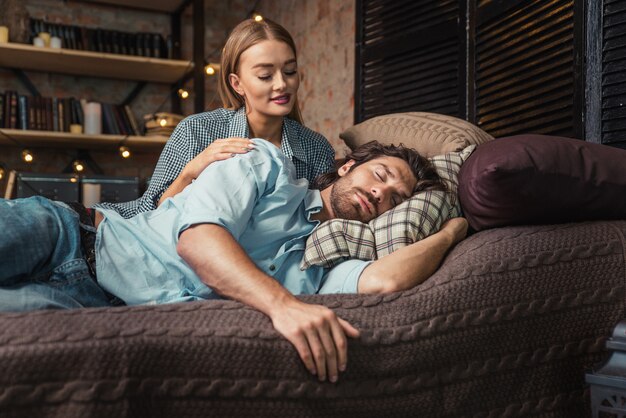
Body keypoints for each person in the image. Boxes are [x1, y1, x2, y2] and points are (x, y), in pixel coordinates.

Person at [0, 140, 468, 384]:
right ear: (348, 166)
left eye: (395, 200)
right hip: (70, 236)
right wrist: (282, 305)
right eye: (380, 175)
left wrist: (455, 229)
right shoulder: (265, 166)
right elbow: (199, 240)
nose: (379, 193)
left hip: (94, 307)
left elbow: (386, 280)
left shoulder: (324, 264)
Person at [100, 18, 335, 219]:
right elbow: (151, 215)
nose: (282, 84)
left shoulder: (316, 148)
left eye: (290, 71)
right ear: (237, 84)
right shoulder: (195, 131)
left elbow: (322, 222)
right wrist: (191, 172)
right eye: (265, 75)